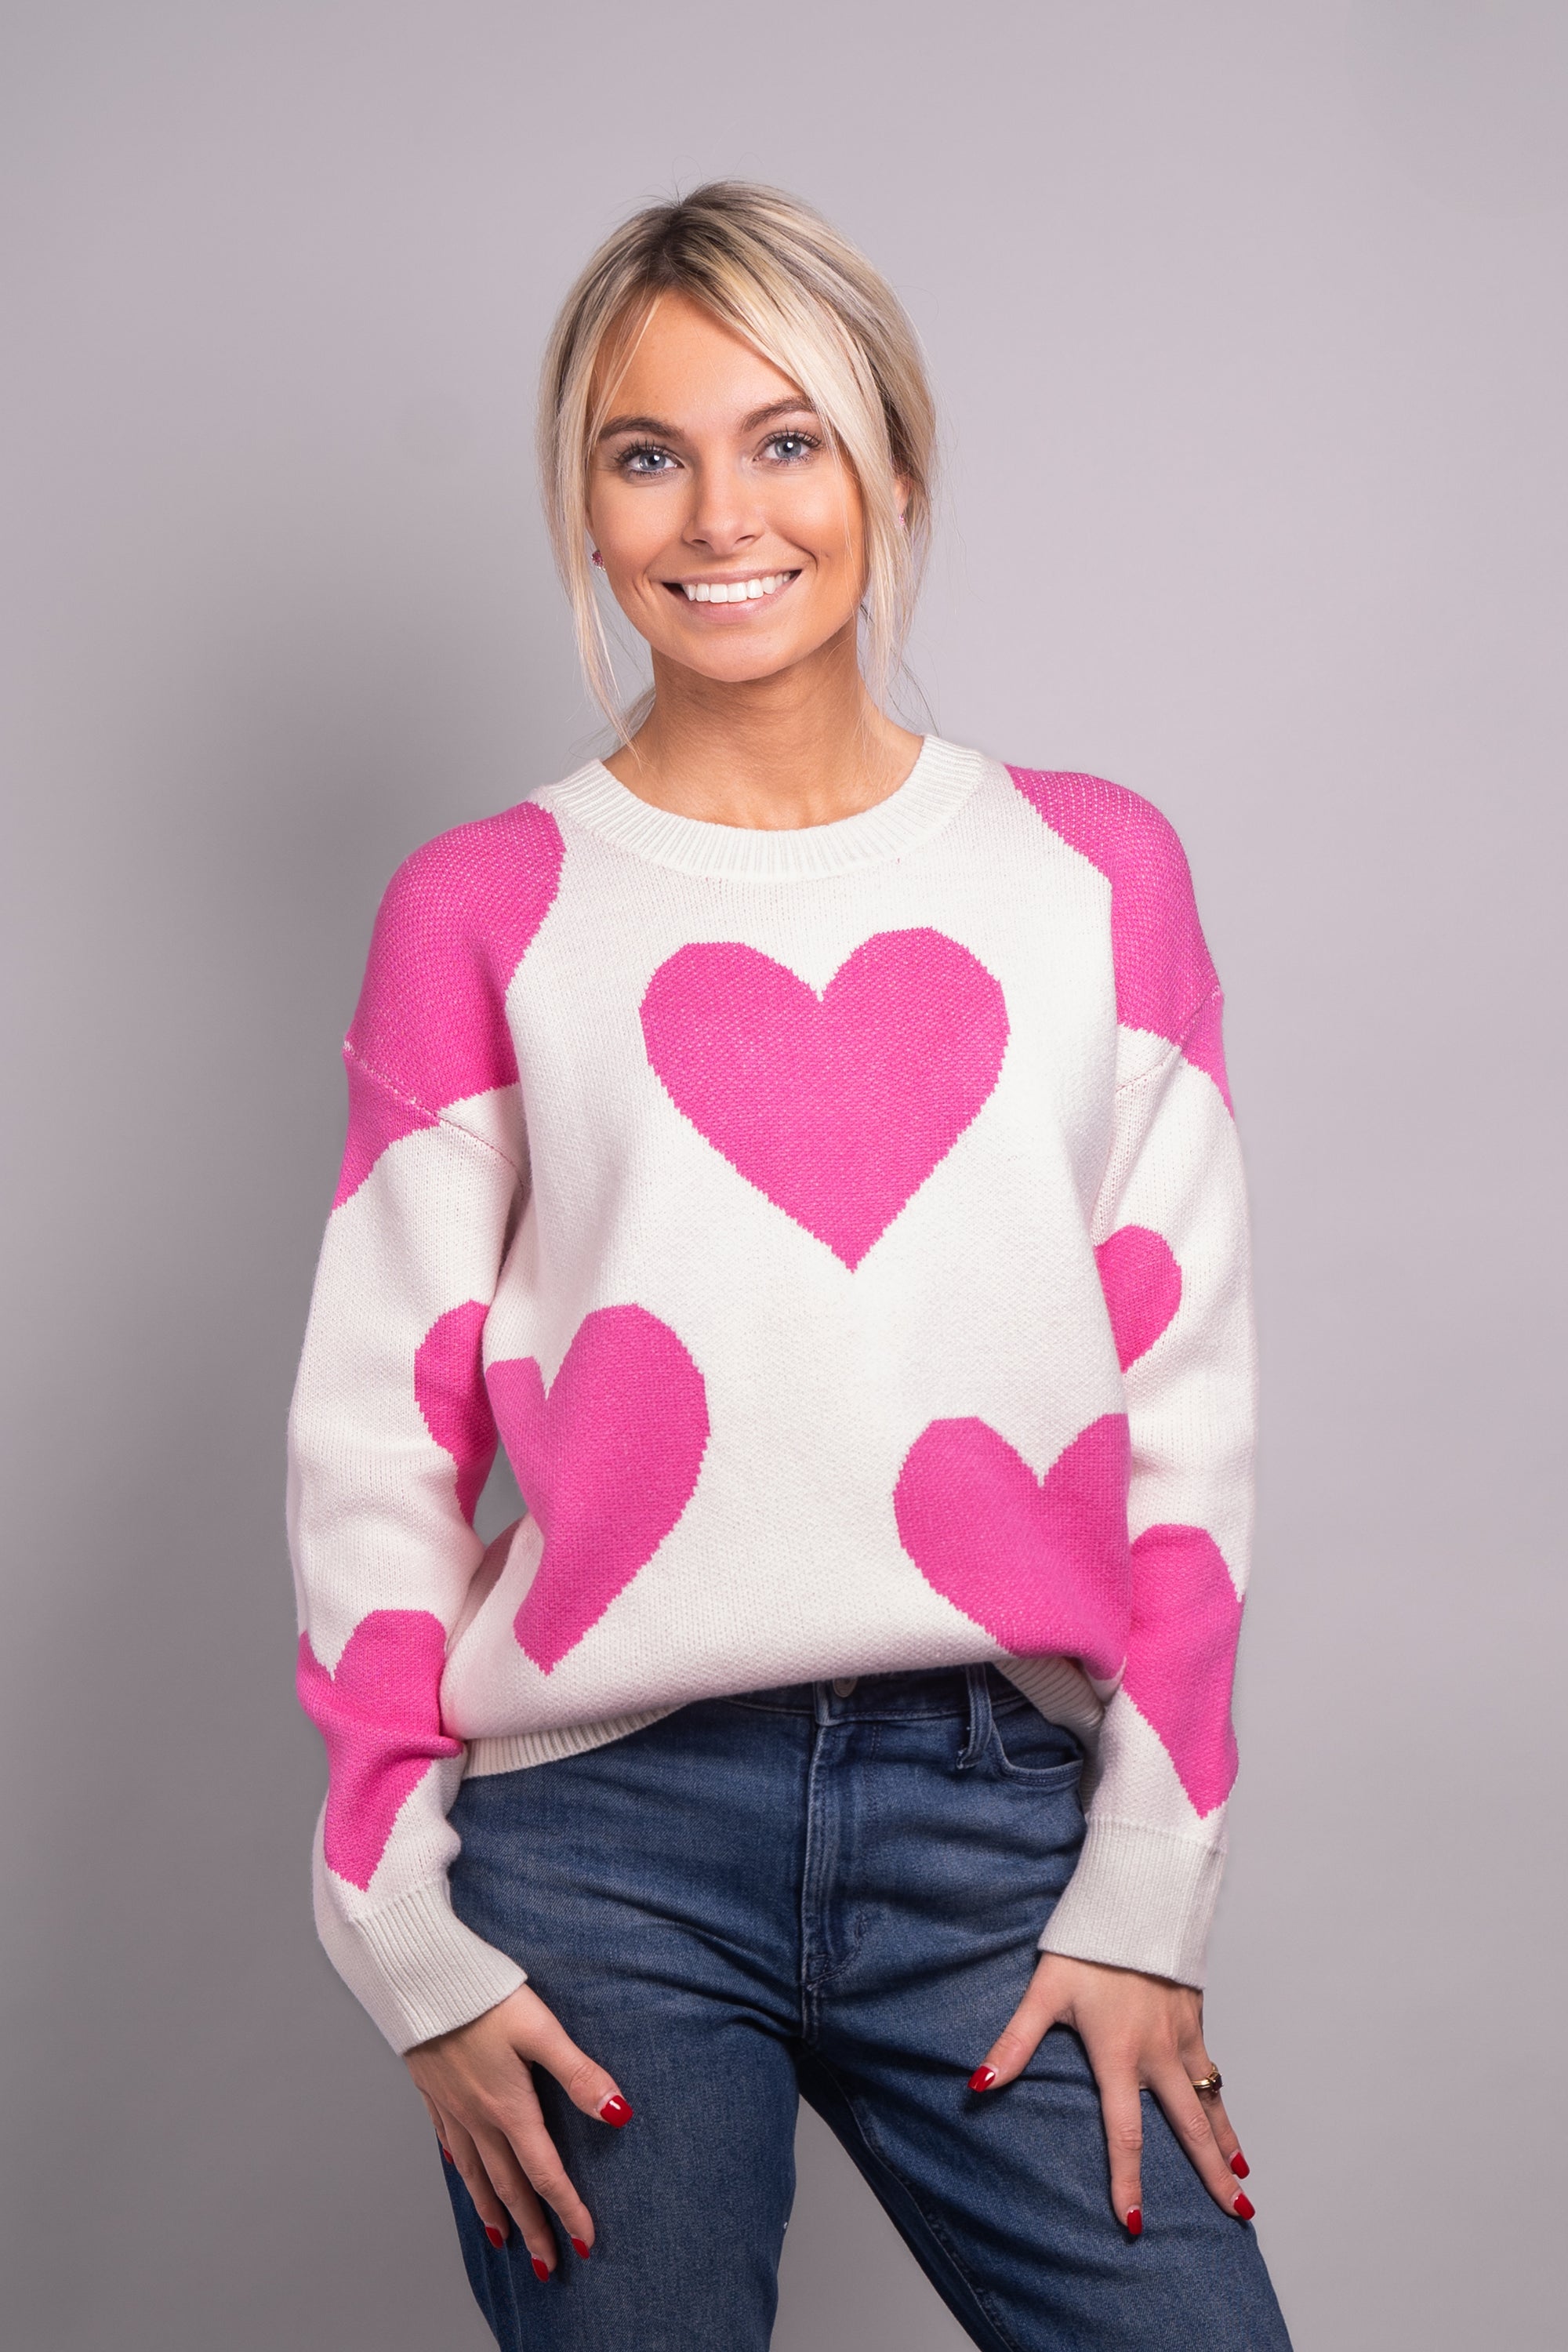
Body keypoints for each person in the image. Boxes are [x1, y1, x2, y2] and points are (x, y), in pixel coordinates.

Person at [287, 180, 1292, 2350]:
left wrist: (1150, 1891)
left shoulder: (1094, 875)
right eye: (647, 454)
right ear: (585, 503)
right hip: (599, 1858)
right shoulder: (488, 906)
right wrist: (407, 1938)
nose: (716, 513)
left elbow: (1184, 1417)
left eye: (787, 439)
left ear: (892, 473)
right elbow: (381, 1437)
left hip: (996, 1819)